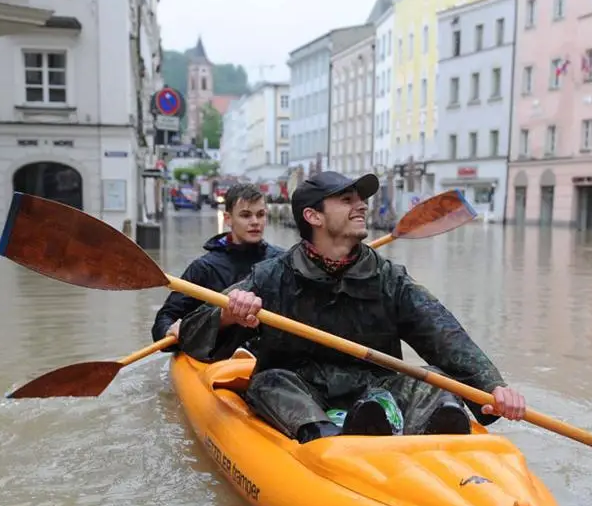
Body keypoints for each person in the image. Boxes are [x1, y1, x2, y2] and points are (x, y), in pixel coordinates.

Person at [177, 170, 528, 443]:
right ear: (313, 216)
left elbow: (443, 332)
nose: (362, 206)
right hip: (301, 387)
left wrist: (492, 387)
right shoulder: (271, 276)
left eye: (360, 199)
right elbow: (193, 332)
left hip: (374, 387)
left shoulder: (389, 278)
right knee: (270, 382)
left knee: (438, 384)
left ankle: (419, 430)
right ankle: (328, 441)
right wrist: (229, 312)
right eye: (347, 200)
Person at [151, 182, 284, 346]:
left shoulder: (282, 261)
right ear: (228, 218)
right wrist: (169, 329)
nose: (255, 221)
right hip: (220, 359)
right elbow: (165, 318)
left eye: (260, 214)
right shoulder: (204, 268)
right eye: (245, 215)